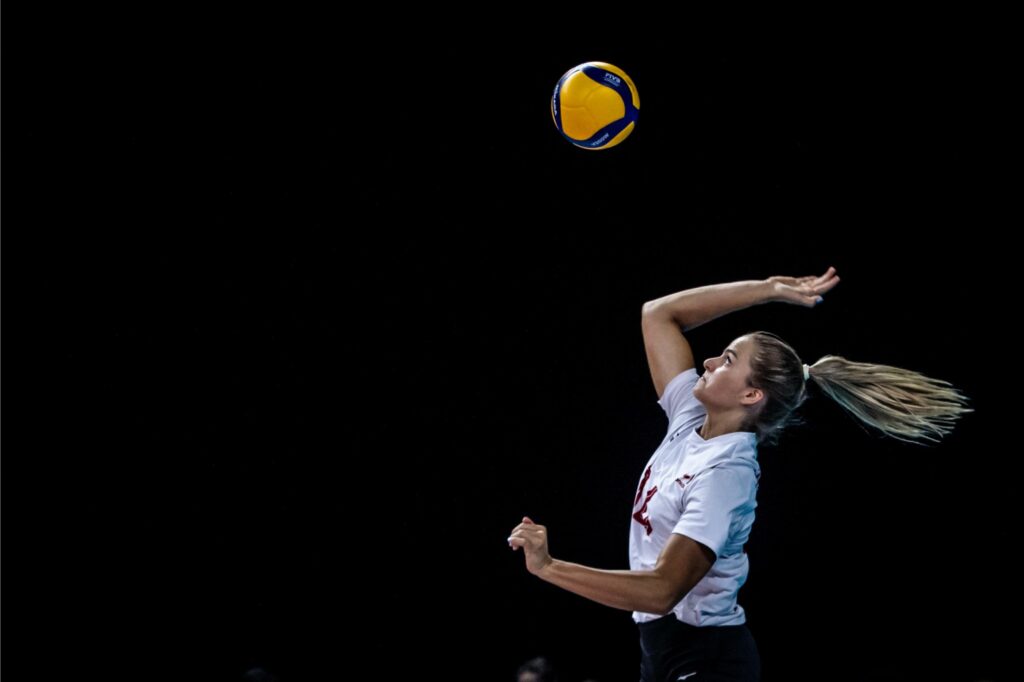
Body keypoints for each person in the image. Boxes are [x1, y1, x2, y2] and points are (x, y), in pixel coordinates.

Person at [508, 268, 969, 682]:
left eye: (727, 359)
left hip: (706, 658)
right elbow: (659, 314)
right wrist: (768, 290)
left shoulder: (727, 474)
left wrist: (550, 567)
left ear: (751, 394)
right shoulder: (690, 417)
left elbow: (662, 591)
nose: (708, 363)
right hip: (661, 651)